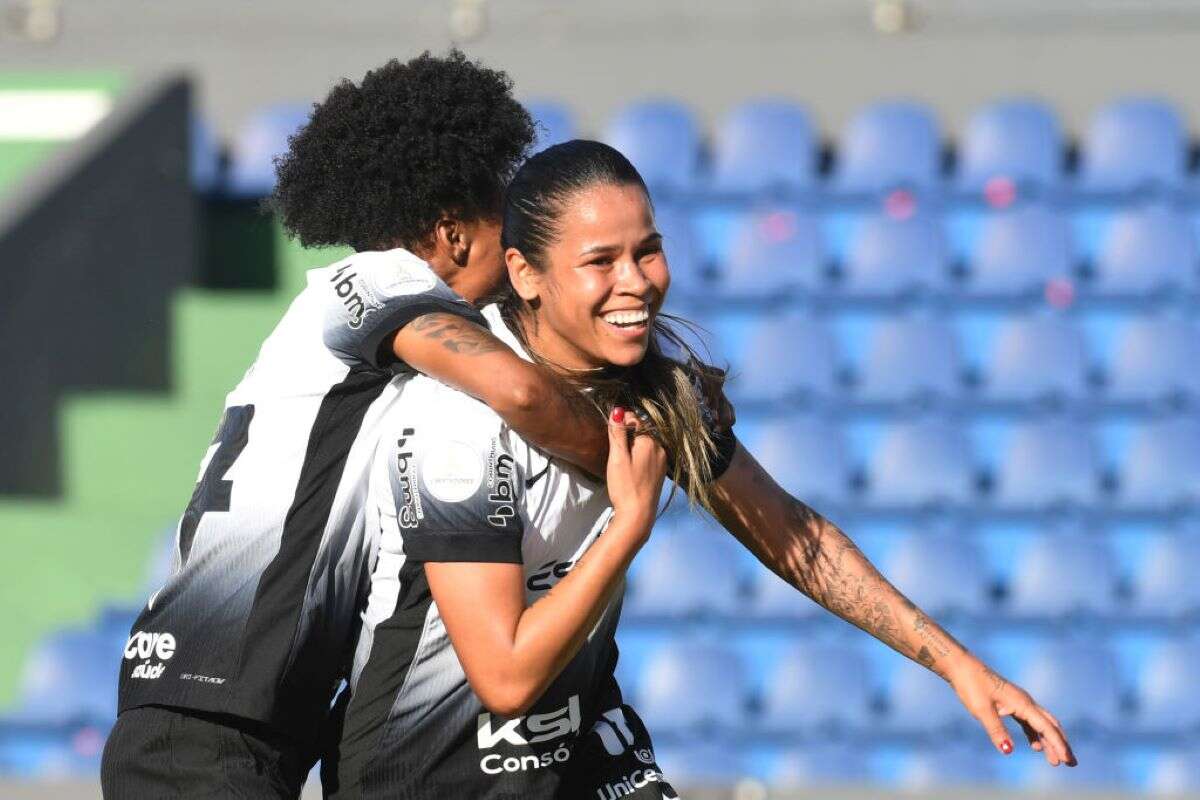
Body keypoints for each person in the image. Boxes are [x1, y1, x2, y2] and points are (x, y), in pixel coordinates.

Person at [323, 140, 1077, 799]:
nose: (638, 282)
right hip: (426, 776)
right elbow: (508, 677)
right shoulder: (462, 418)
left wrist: (957, 666)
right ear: (523, 274)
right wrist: (629, 527)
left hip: (582, 759)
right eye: (600, 262)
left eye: (647, 250)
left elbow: (791, 537)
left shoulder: (656, 389)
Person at [101, 53, 639, 799]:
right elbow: (519, 390)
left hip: (247, 726)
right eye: (502, 218)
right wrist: (638, 452)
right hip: (202, 725)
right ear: (452, 233)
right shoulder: (378, 280)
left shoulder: (397, 360)